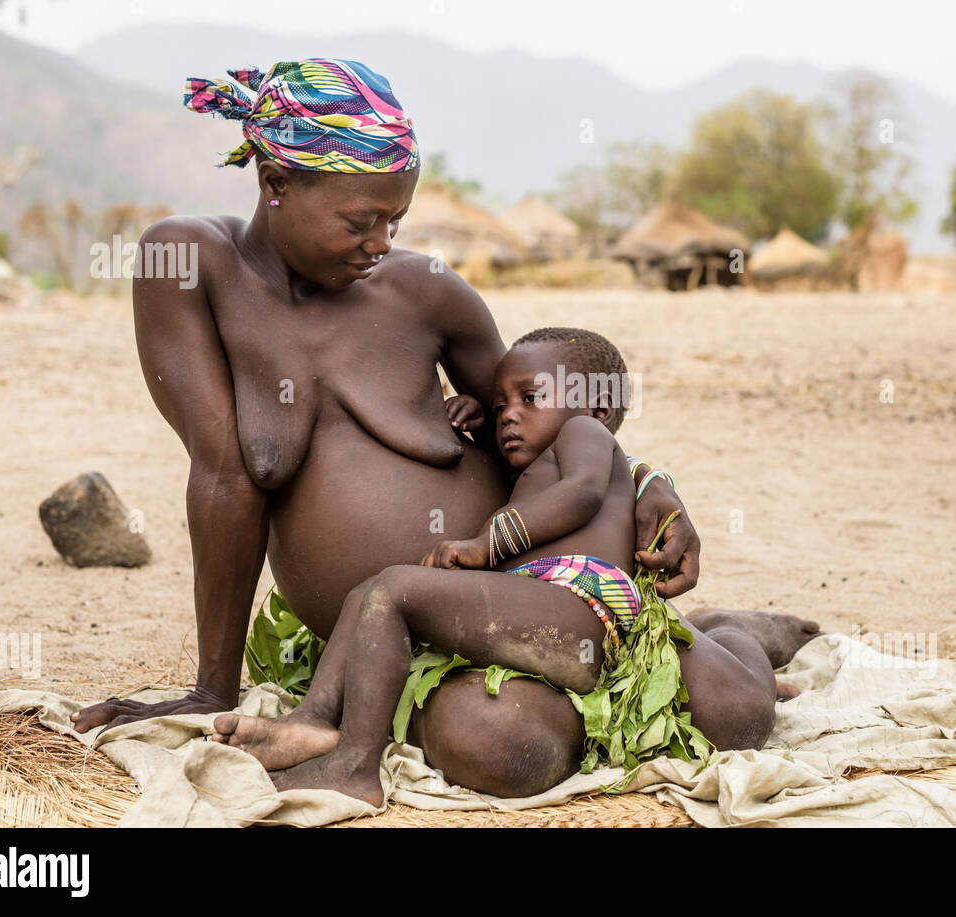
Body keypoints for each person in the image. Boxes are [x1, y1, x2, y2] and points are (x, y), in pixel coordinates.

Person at [65, 59, 784, 794]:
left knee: (738, 713)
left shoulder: (426, 293)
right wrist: (212, 687)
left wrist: (649, 482)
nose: (381, 242)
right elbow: (224, 475)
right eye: (359, 221)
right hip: (398, 643)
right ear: (275, 184)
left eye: (394, 221)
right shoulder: (187, 264)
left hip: (521, 592)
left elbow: (553, 421)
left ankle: (739, 634)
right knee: (503, 749)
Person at [210, 328, 814, 803]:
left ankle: (349, 762)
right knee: (377, 592)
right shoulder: (535, 464)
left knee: (392, 590)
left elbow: (576, 495)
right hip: (551, 619)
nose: (508, 415)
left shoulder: (583, 437)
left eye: (529, 398)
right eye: (500, 403)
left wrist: (486, 543)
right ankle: (319, 721)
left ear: (598, 410)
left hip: (579, 603)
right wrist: (471, 425)